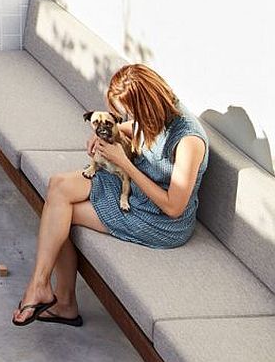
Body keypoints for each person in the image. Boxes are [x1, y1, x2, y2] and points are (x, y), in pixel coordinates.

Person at [12, 62, 208, 327]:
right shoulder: (157, 111)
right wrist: (106, 137)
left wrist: (125, 164)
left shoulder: (188, 141)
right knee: (58, 186)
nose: (126, 117)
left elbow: (174, 207)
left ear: (144, 104)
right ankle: (43, 287)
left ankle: (58, 299)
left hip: (159, 220)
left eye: (128, 112)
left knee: (61, 213)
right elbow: (132, 127)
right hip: (134, 187)